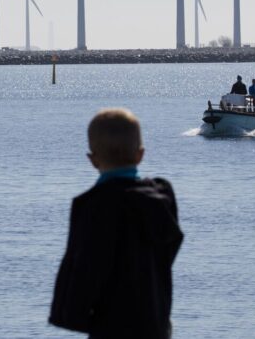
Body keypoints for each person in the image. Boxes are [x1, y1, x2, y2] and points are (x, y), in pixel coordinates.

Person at [50, 109, 183, 339]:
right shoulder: (161, 199)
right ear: (140, 154)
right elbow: (168, 247)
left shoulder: (94, 206)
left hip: (111, 327)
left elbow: (83, 268)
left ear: (92, 159)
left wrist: (70, 315)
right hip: (155, 324)